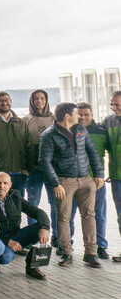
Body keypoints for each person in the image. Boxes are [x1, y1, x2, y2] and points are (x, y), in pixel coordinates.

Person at [39, 102, 104, 268]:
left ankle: (91, 253)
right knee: (63, 217)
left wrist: (98, 174)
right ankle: (67, 253)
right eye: (77, 114)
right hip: (64, 181)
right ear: (67, 116)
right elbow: (44, 161)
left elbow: (93, 153)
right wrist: (55, 184)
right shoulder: (49, 135)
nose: (80, 116)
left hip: (85, 179)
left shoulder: (82, 130)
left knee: (89, 215)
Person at [0, 172, 50, 279]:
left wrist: (45, 227)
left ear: (10, 185)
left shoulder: (15, 196)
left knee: (39, 229)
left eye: (5, 183)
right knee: (7, 257)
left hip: (16, 235)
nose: (2, 186)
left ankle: (32, 267)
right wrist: (7, 241)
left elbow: (38, 212)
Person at [71, 102, 109, 259]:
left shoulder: (101, 132)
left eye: (86, 114)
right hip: (73, 180)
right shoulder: (68, 131)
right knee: (69, 215)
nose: (83, 117)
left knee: (98, 215)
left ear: (92, 116)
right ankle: (66, 246)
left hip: (96, 181)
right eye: (79, 114)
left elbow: (111, 152)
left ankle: (100, 245)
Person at [22, 90, 57, 240]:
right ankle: (33, 236)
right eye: (36, 98)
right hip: (34, 169)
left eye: (42, 98)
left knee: (55, 203)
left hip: (51, 168)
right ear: (32, 101)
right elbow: (23, 145)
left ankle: (56, 236)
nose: (39, 101)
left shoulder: (54, 118)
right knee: (33, 203)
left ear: (46, 100)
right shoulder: (25, 120)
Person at [100, 91, 121, 260]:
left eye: (117, 105)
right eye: (112, 105)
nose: (114, 108)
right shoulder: (108, 121)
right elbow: (100, 142)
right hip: (117, 176)